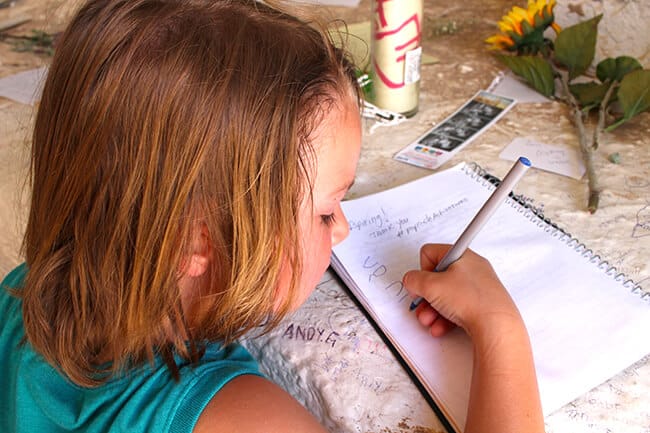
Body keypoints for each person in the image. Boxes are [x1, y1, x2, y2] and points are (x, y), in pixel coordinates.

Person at [0, 0, 544, 432]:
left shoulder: (20, 294)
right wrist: (500, 328)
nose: (345, 228)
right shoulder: (244, 418)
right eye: (327, 210)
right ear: (196, 239)